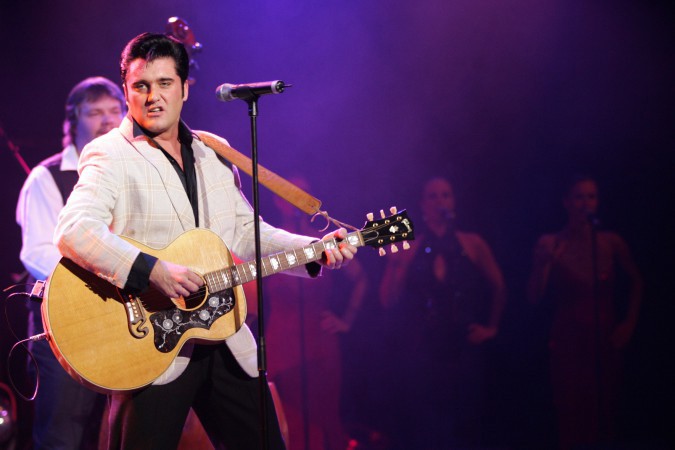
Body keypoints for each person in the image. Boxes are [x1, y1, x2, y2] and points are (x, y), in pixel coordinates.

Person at [53, 32, 357, 450]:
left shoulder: (214, 151)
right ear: (126, 90)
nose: (153, 97)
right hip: (150, 341)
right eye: (141, 86)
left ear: (184, 88)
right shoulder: (109, 154)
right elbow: (74, 227)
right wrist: (151, 270)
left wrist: (315, 249)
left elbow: (246, 231)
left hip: (223, 333)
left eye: (164, 83)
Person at [16, 76, 126, 449]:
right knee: (63, 439)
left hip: (123, 328)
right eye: (95, 112)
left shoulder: (129, 171)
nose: (107, 120)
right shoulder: (46, 177)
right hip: (64, 331)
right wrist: (108, 277)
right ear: (73, 121)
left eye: (114, 110)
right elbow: (37, 253)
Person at [378, 176, 506, 449]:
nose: (440, 201)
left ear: (453, 201)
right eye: (433, 196)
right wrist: (394, 264)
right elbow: (388, 300)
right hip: (424, 349)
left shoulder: (471, 243)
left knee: (465, 423)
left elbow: (499, 286)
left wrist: (492, 327)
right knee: (427, 425)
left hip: (463, 345)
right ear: (423, 204)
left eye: (446, 195)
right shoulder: (411, 246)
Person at [527, 175, 642, 450]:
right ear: (567, 202)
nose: (586, 203)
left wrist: (629, 322)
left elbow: (637, 280)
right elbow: (533, 297)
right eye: (579, 197)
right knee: (571, 410)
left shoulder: (610, 242)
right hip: (569, 338)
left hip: (604, 337)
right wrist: (542, 266)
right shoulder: (551, 242)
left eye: (591, 197)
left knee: (605, 408)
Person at [264, 176, 368, 450]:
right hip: (280, 342)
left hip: (319, 341)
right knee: (288, 419)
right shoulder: (268, 242)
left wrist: (347, 319)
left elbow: (360, 278)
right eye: (290, 194)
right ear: (278, 200)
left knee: (324, 416)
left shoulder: (321, 242)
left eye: (304, 193)